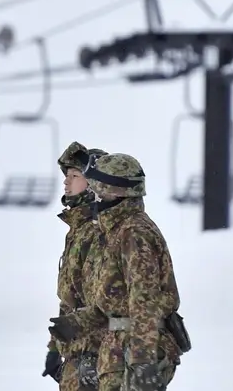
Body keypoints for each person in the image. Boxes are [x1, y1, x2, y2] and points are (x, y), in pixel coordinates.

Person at [47, 153, 191, 391]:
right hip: (118, 349)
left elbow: (143, 302)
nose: (93, 189)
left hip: (134, 349)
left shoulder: (134, 233)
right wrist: (76, 323)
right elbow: (113, 300)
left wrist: (143, 361)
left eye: (97, 184)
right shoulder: (115, 231)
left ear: (113, 188)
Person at [42, 141, 108, 391]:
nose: (66, 182)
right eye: (67, 175)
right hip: (76, 352)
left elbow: (101, 301)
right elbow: (69, 300)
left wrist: (93, 355)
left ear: (93, 183)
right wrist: (54, 348)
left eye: (75, 175)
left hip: (95, 352)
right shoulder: (78, 230)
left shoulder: (99, 231)